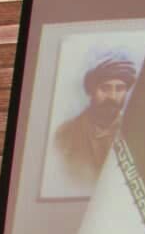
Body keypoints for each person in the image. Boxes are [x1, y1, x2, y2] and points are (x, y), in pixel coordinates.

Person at [53, 48, 138, 190]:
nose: (112, 96)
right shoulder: (65, 134)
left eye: (119, 89)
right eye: (104, 88)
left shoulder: (136, 133)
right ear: (90, 91)